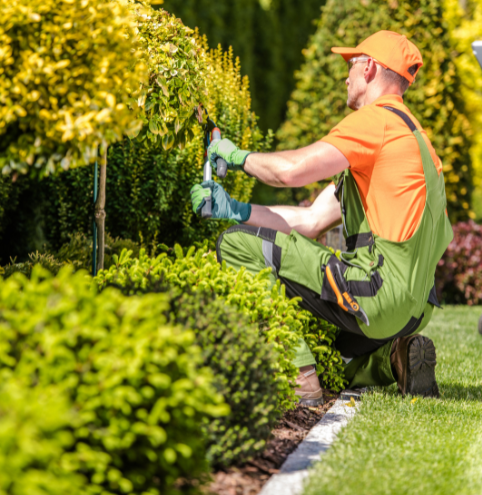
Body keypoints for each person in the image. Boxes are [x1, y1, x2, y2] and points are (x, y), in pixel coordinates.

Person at [190, 30, 453, 406]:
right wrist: (234, 209)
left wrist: (236, 156)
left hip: (377, 294)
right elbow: (312, 220)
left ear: (370, 68)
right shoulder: (414, 139)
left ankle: (299, 379)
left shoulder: (375, 122)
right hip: (413, 310)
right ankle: (394, 359)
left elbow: (290, 172)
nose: (345, 75)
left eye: (351, 65)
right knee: (328, 349)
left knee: (235, 244)